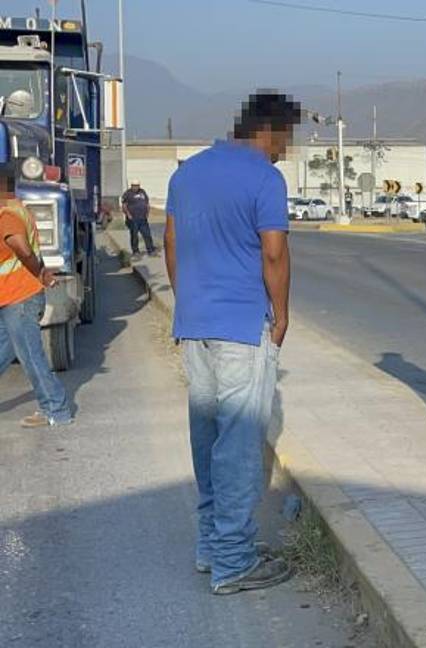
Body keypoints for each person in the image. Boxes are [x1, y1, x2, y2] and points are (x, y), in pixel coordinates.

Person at [164, 91, 299, 595]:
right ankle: (235, 561)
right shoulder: (266, 176)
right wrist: (281, 314)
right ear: (272, 130)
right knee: (239, 444)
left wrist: (190, 303)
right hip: (243, 327)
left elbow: (172, 243)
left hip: (194, 325)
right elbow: (274, 254)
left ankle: (211, 547)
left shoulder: (187, 173)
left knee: (207, 438)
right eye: (287, 138)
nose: (286, 149)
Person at [0, 162, 73, 428]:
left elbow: (20, 247)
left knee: (30, 355)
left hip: (20, 298)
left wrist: (41, 273)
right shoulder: (16, 207)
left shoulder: (7, 215)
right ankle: (54, 406)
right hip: (10, 297)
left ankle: (56, 409)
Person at [121, 180, 157, 257]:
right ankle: (136, 251)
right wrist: (128, 214)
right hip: (133, 219)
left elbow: (147, 203)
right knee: (134, 236)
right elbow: (124, 205)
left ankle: (151, 250)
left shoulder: (142, 192)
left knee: (147, 234)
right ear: (131, 186)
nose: (135, 187)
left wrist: (147, 212)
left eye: (137, 185)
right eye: (134, 185)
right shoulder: (128, 193)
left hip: (143, 218)